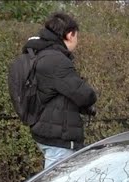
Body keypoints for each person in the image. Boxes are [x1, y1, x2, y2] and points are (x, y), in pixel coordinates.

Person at [22, 12, 97, 170]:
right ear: (70, 35)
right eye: (76, 36)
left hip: (48, 131)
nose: (77, 41)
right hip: (58, 138)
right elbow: (84, 94)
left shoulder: (41, 54)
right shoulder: (56, 60)